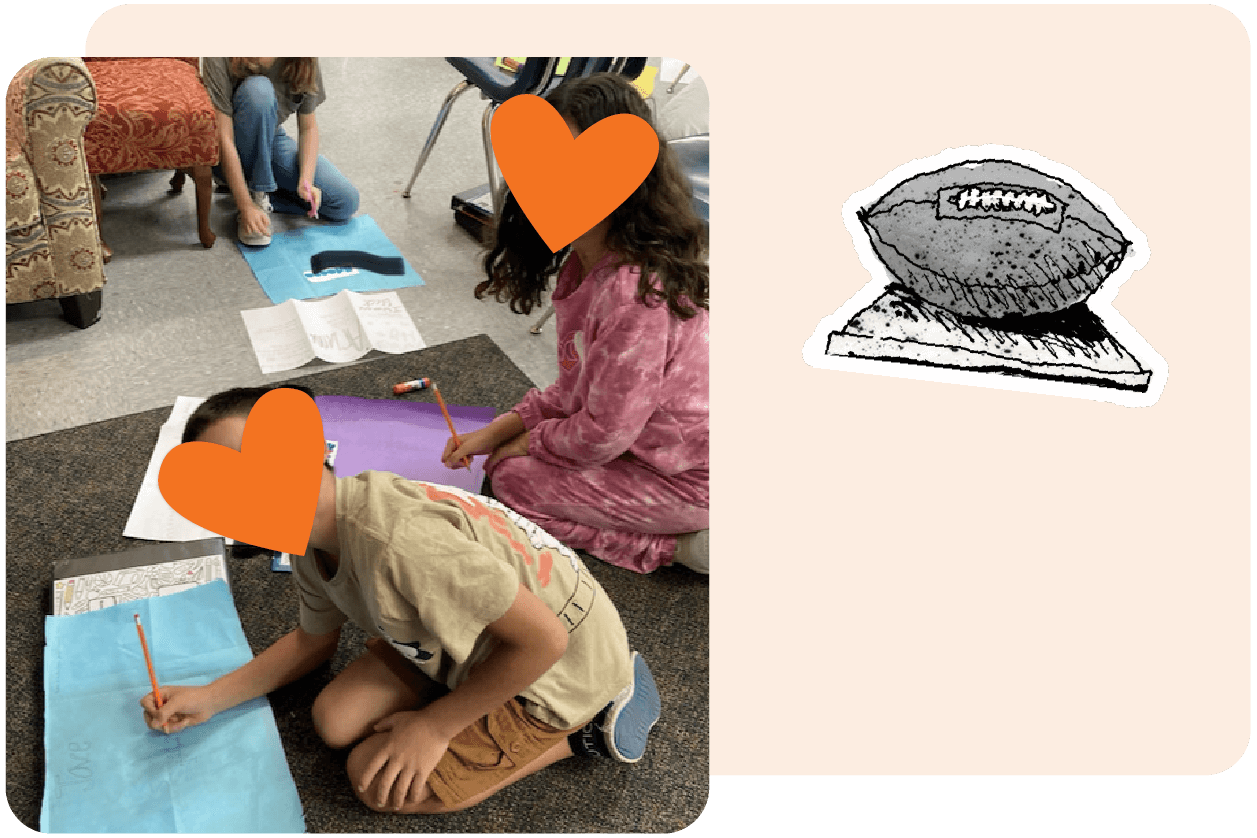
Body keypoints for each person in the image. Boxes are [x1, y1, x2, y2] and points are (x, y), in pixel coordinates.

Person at [140, 385, 660, 815]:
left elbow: (544, 641)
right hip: (468, 635)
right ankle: (456, 686)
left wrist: (435, 726)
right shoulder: (308, 538)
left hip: (559, 669)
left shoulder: (400, 543)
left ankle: (589, 729)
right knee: (335, 721)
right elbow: (311, 642)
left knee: (376, 782)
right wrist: (211, 697)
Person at [443, 73, 710, 575]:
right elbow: (578, 391)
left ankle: (682, 549)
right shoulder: (588, 262)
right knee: (508, 463)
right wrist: (498, 430)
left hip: (691, 480)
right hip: (645, 447)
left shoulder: (634, 293)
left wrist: (525, 442)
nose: (553, 183)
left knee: (513, 479)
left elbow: (602, 434)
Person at [201, 57, 360, 246]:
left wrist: (306, 181)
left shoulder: (304, 56)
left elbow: (308, 127)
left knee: (344, 202)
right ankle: (254, 194)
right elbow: (223, 137)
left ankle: (260, 194)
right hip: (225, 148)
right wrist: (246, 207)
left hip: (270, 138)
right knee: (259, 89)